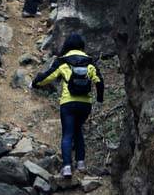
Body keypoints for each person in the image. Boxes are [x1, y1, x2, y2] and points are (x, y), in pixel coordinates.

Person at [31, 33, 104, 177]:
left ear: (68, 45)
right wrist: (100, 99)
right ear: (81, 46)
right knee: (78, 130)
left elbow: (48, 77)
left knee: (67, 134)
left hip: (68, 104)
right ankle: (81, 163)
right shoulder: (90, 62)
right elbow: (99, 82)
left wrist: (35, 83)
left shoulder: (63, 61)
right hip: (85, 104)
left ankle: (67, 167)